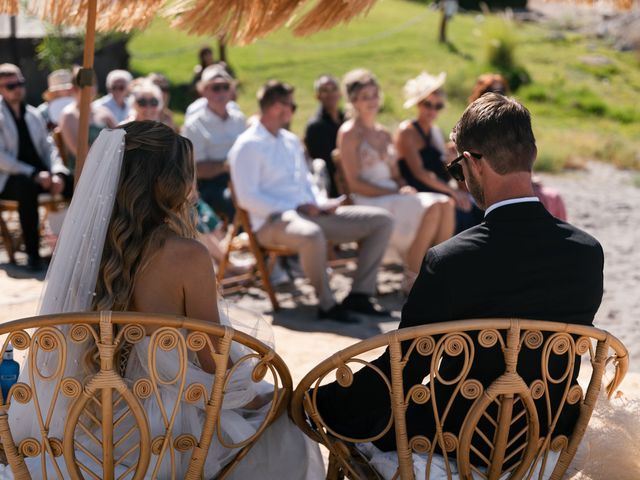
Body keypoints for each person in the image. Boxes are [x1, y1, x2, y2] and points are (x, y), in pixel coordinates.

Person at [5, 121, 324, 479]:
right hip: (165, 430)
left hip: (80, 419)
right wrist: (269, 400)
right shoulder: (186, 255)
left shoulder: (80, 248)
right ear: (169, 182)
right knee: (283, 418)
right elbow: (213, 363)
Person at [314, 93, 605, 473]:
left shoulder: (449, 261)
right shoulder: (587, 253)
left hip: (454, 445)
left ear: (471, 162)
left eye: (457, 168)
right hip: (546, 441)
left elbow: (402, 371)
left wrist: (318, 401)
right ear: (531, 153)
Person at [229, 80, 394, 323]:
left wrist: (321, 203)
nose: (293, 110)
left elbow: (306, 182)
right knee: (311, 233)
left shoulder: (289, 140)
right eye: (291, 105)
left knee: (381, 221)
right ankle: (327, 304)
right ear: (277, 107)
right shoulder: (247, 145)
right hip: (272, 222)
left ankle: (360, 294)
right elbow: (247, 197)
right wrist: (295, 207)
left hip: (309, 213)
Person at [337, 69, 455, 291]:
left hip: (392, 195)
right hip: (368, 199)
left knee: (446, 204)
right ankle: (412, 279)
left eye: (374, 95)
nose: (371, 101)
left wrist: (403, 186)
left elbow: (396, 176)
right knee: (434, 205)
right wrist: (393, 192)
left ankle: (436, 273)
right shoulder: (349, 133)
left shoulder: (383, 133)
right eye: (365, 97)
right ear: (354, 101)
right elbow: (354, 183)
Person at [0, 63, 72, 270]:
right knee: (27, 188)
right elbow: (2, 158)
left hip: (42, 175)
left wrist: (58, 172)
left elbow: (49, 147)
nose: (17, 88)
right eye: (10, 85)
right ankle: (33, 255)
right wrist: (32, 173)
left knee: (75, 182)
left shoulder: (33, 114)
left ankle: (74, 246)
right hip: (10, 179)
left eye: (19, 83)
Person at [396, 71, 483, 233]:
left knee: (480, 210)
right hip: (420, 193)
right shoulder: (407, 131)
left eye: (438, 106)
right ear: (418, 104)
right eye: (428, 104)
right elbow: (419, 172)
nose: (433, 110)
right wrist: (453, 191)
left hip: (439, 193)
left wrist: (453, 161)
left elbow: (446, 171)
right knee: (464, 215)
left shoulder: (435, 132)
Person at [182, 65, 246, 222]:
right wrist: (227, 165)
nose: (222, 92)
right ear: (203, 91)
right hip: (211, 184)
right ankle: (243, 238)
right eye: (216, 87)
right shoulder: (194, 124)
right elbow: (197, 169)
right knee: (234, 199)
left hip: (240, 175)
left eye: (226, 87)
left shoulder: (238, 118)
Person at [59, 66, 116, 171]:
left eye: (93, 83)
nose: (90, 88)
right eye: (85, 85)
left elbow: (120, 138)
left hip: (109, 166)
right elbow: (80, 152)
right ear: (74, 88)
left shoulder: (104, 112)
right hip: (84, 173)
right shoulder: (69, 115)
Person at [304, 74, 345, 198]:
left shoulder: (347, 119)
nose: (330, 94)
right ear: (318, 96)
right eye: (325, 91)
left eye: (333, 89)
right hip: (334, 190)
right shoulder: (315, 126)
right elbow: (326, 165)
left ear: (340, 93)